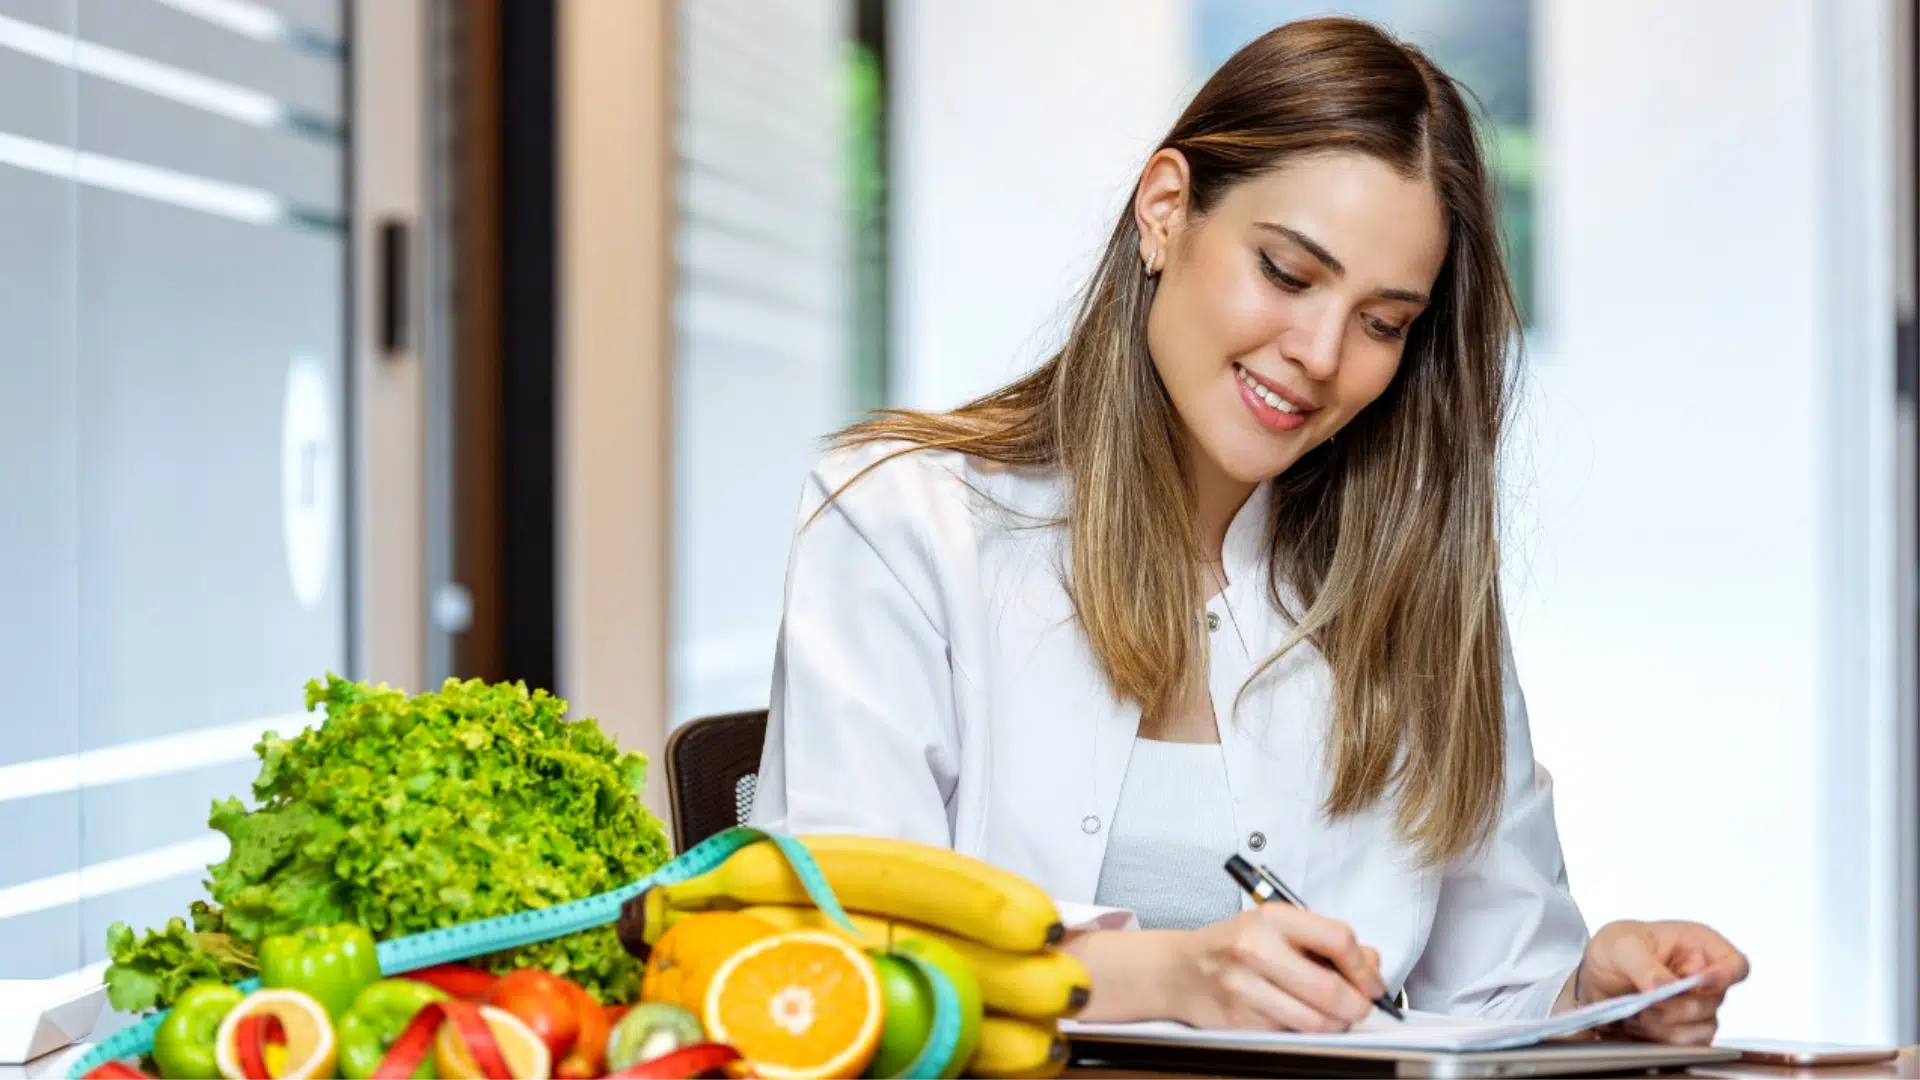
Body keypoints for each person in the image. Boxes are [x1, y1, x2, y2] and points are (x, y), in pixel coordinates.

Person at [747, 16, 1748, 1042]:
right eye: (1287, 271)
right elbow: (841, 945)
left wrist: (1595, 997)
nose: (1319, 353)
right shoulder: (902, 519)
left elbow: (1491, 989)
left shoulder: (1413, 581)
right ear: (1166, 210)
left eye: (1383, 322)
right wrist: (1169, 977)